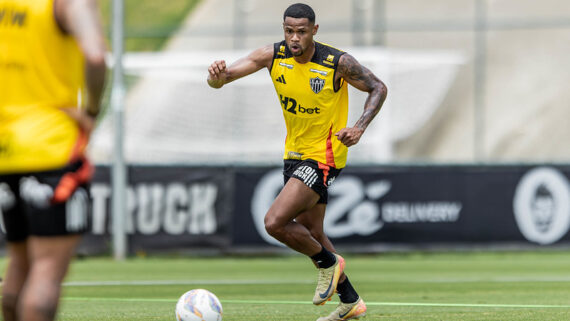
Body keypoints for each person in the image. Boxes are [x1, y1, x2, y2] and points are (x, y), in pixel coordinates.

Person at [208, 3, 387, 320]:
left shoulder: (336, 62)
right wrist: (217, 78)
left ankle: (329, 263)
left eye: (301, 32)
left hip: (326, 155)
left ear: (314, 31)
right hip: (294, 154)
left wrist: (359, 127)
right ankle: (350, 300)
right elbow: (223, 79)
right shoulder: (272, 56)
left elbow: (378, 87)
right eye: (289, 31)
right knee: (312, 232)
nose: (294, 38)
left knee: (274, 222)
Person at [0, 0, 106, 320]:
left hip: (6, 150)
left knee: (19, 265)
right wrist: (90, 112)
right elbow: (96, 57)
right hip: (51, 149)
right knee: (46, 272)